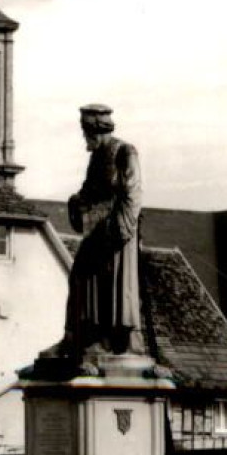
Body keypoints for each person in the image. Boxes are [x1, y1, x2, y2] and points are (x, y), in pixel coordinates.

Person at [62, 103, 146, 357]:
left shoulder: (125, 152)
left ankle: (111, 339)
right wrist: (77, 202)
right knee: (79, 275)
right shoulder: (96, 158)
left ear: (96, 131)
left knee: (114, 286)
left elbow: (133, 195)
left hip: (118, 234)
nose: (85, 139)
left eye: (86, 133)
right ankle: (79, 336)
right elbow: (88, 190)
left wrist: (118, 229)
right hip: (98, 231)